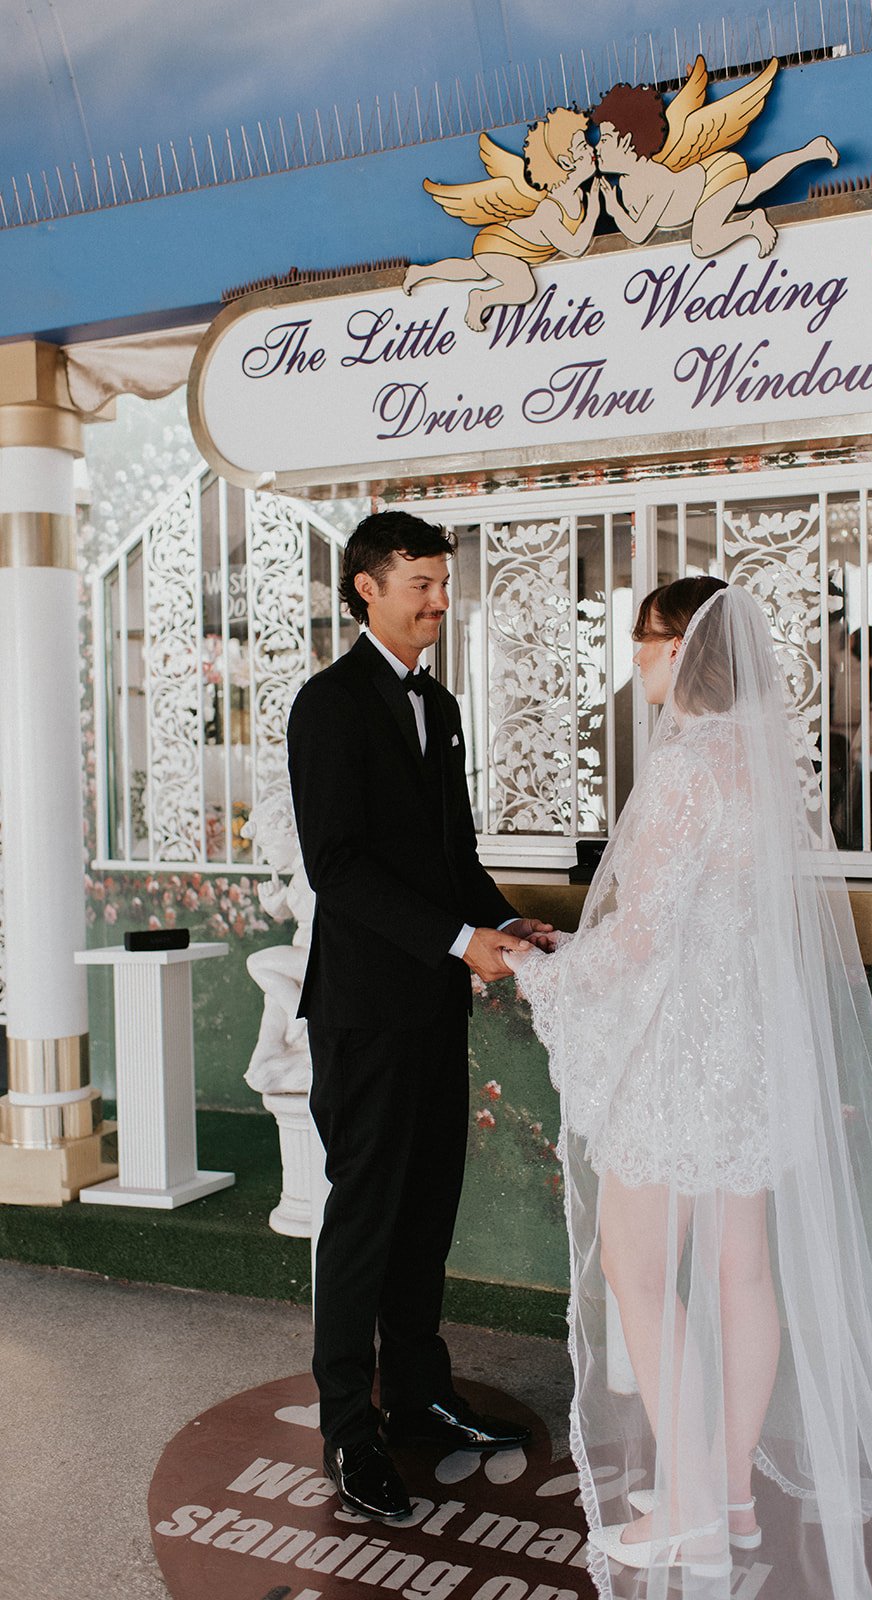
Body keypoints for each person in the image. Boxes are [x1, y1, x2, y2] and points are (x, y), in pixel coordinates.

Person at [508, 576, 872, 1598]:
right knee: (743, 1272)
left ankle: (689, 1513)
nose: (638, 661)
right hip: (753, 1051)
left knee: (639, 1272)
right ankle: (725, 1494)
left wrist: (539, 970)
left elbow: (642, 937)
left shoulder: (684, 769)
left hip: (681, 1057)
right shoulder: (767, 765)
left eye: (648, 642)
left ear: (686, 651)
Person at [287, 510, 555, 1522]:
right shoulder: (327, 704)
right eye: (422, 585)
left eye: (445, 583)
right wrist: (456, 939)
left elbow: (452, 856)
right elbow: (338, 867)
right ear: (367, 588)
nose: (442, 601)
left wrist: (501, 921)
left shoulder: (437, 703)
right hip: (364, 1011)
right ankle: (349, 1434)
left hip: (435, 1005)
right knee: (364, 1219)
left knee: (427, 1207)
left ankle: (420, 1395)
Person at [591, 58, 836, 261]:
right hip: (709, 176)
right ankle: (811, 151)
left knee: (702, 244)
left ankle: (752, 224)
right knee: (754, 186)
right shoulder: (627, 183)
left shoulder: (656, 179)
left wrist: (614, 209)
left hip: (715, 179)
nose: (598, 147)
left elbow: (638, 233)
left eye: (605, 140)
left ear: (627, 142)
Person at [404, 108, 600, 330]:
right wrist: (593, 212)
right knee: (524, 287)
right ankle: (481, 299)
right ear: (565, 162)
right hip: (501, 244)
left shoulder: (577, 195)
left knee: (474, 270)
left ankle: (421, 271)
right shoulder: (549, 209)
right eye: (583, 147)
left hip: (505, 243)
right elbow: (575, 248)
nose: (592, 149)